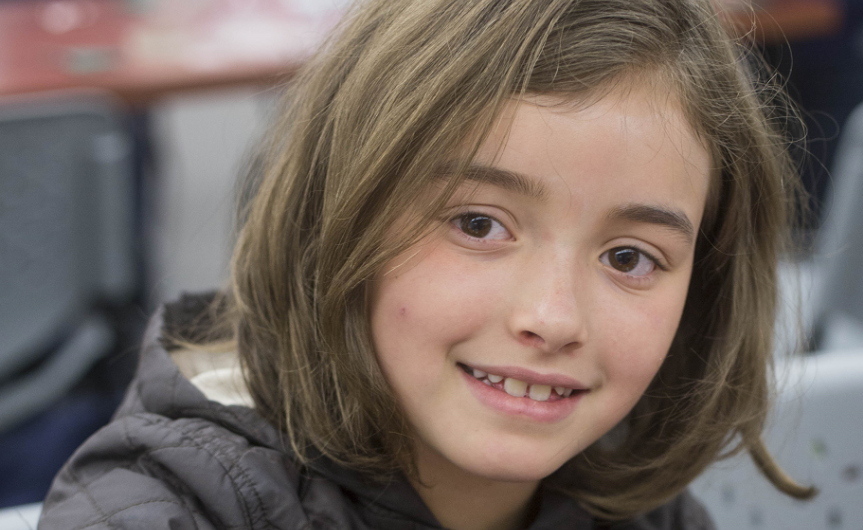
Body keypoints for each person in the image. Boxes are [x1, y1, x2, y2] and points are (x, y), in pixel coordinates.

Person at [38, 0, 814, 528]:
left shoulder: (639, 506)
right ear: (335, 216)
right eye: (478, 224)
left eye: (629, 257)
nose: (552, 317)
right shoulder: (160, 509)